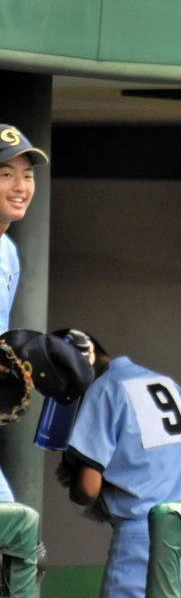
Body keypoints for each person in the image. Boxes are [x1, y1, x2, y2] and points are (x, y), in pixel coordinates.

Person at [60, 330, 181, 598]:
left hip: (147, 538)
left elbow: (87, 490)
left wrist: (72, 475)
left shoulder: (105, 388)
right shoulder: (166, 383)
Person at [0, 124, 48, 502]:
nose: (20, 187)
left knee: (15, 533)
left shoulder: (9, 253)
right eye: (6, 175)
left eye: (26, 176)